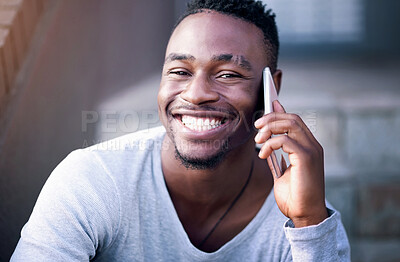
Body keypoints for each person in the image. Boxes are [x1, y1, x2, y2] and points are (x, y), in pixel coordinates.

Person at [11, 0, 350, 261]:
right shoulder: (92, 181)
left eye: (228, 74)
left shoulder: (308, 221)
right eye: (180, 71)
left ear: (269, 90)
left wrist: (308, 223)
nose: (196, 93)